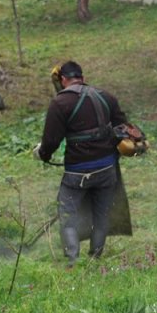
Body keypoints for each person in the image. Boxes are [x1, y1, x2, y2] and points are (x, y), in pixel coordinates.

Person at [34, 61, 132, 266]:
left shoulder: (60, 103)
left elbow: (51, 141)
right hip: (107, 169)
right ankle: (95, 259)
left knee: (66, 214)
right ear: (82, 77)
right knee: (102, 214)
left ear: (62, 80)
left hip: (77, 173)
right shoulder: (107, 97)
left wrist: (42, 154)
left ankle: (72, 262)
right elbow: (126, 128)